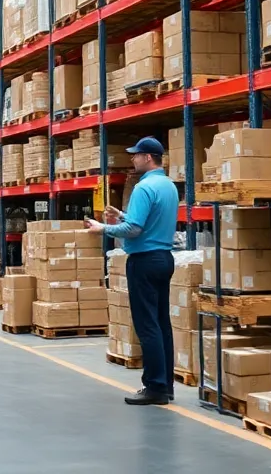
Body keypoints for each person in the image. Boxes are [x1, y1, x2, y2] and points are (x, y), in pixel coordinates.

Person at [84, 136, 179, 405]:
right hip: (164, 258)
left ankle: (154, 387)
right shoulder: (169, 186)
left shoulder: (143, 187)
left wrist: (103, 228)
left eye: (136, 155)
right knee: (161, 323)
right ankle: (166, 385)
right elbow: (147, 221)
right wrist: (123, 215)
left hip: (144, 261)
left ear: (148, 157)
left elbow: (134, 230)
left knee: (147, 325)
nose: (132, 159)